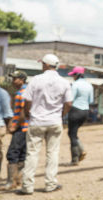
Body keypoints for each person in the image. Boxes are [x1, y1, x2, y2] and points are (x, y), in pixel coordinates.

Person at [19, 54, 72, 194]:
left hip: (37, 121)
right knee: (53, 153)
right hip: (55, 122)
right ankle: (50, 184)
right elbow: (69, 103)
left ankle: (27, 187)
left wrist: (29, 113)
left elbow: (27, 100)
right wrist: (61, 115)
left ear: (45, 65)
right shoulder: (64, 82)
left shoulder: (36, 80)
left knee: (32, 154)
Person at [0, 71, 28, 191]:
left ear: (22, 79)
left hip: (21, 127)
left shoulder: (21, 93)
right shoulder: (27, 92)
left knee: (12, 153)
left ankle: (11, 182)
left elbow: (23, 112)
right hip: (27, 127)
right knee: (22, 154)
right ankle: (18, 180)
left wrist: (14, 126)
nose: (13, 81)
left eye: (15, 79)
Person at [67, 66, 93, 165]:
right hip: (85, 111)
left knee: (72, 134)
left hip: (75, 110)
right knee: (73, 133)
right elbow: (90, 100)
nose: (72, 77)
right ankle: (80, 151)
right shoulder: (89, 85)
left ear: (77, 75)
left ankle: (75, 158)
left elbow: (71, 98)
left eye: (73, 75)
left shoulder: (75, 85)